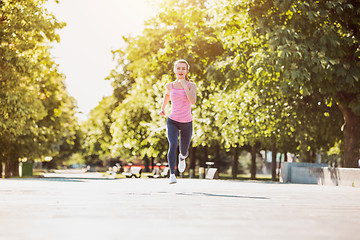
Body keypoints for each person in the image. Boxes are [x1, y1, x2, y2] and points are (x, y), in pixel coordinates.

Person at [159, 59, 197, 184]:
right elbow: (167, 95)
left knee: (184, 150)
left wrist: (185, 85)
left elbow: (193, 101)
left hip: (187, 122)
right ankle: (172, 174)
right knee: (173, 144)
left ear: (187, 71)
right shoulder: (169, 86)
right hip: (173, 121)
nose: (180, 70)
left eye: (183, 68)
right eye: (178, 68)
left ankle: (182, 157)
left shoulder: (192, 86)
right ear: (175, 70)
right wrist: (163, 108)